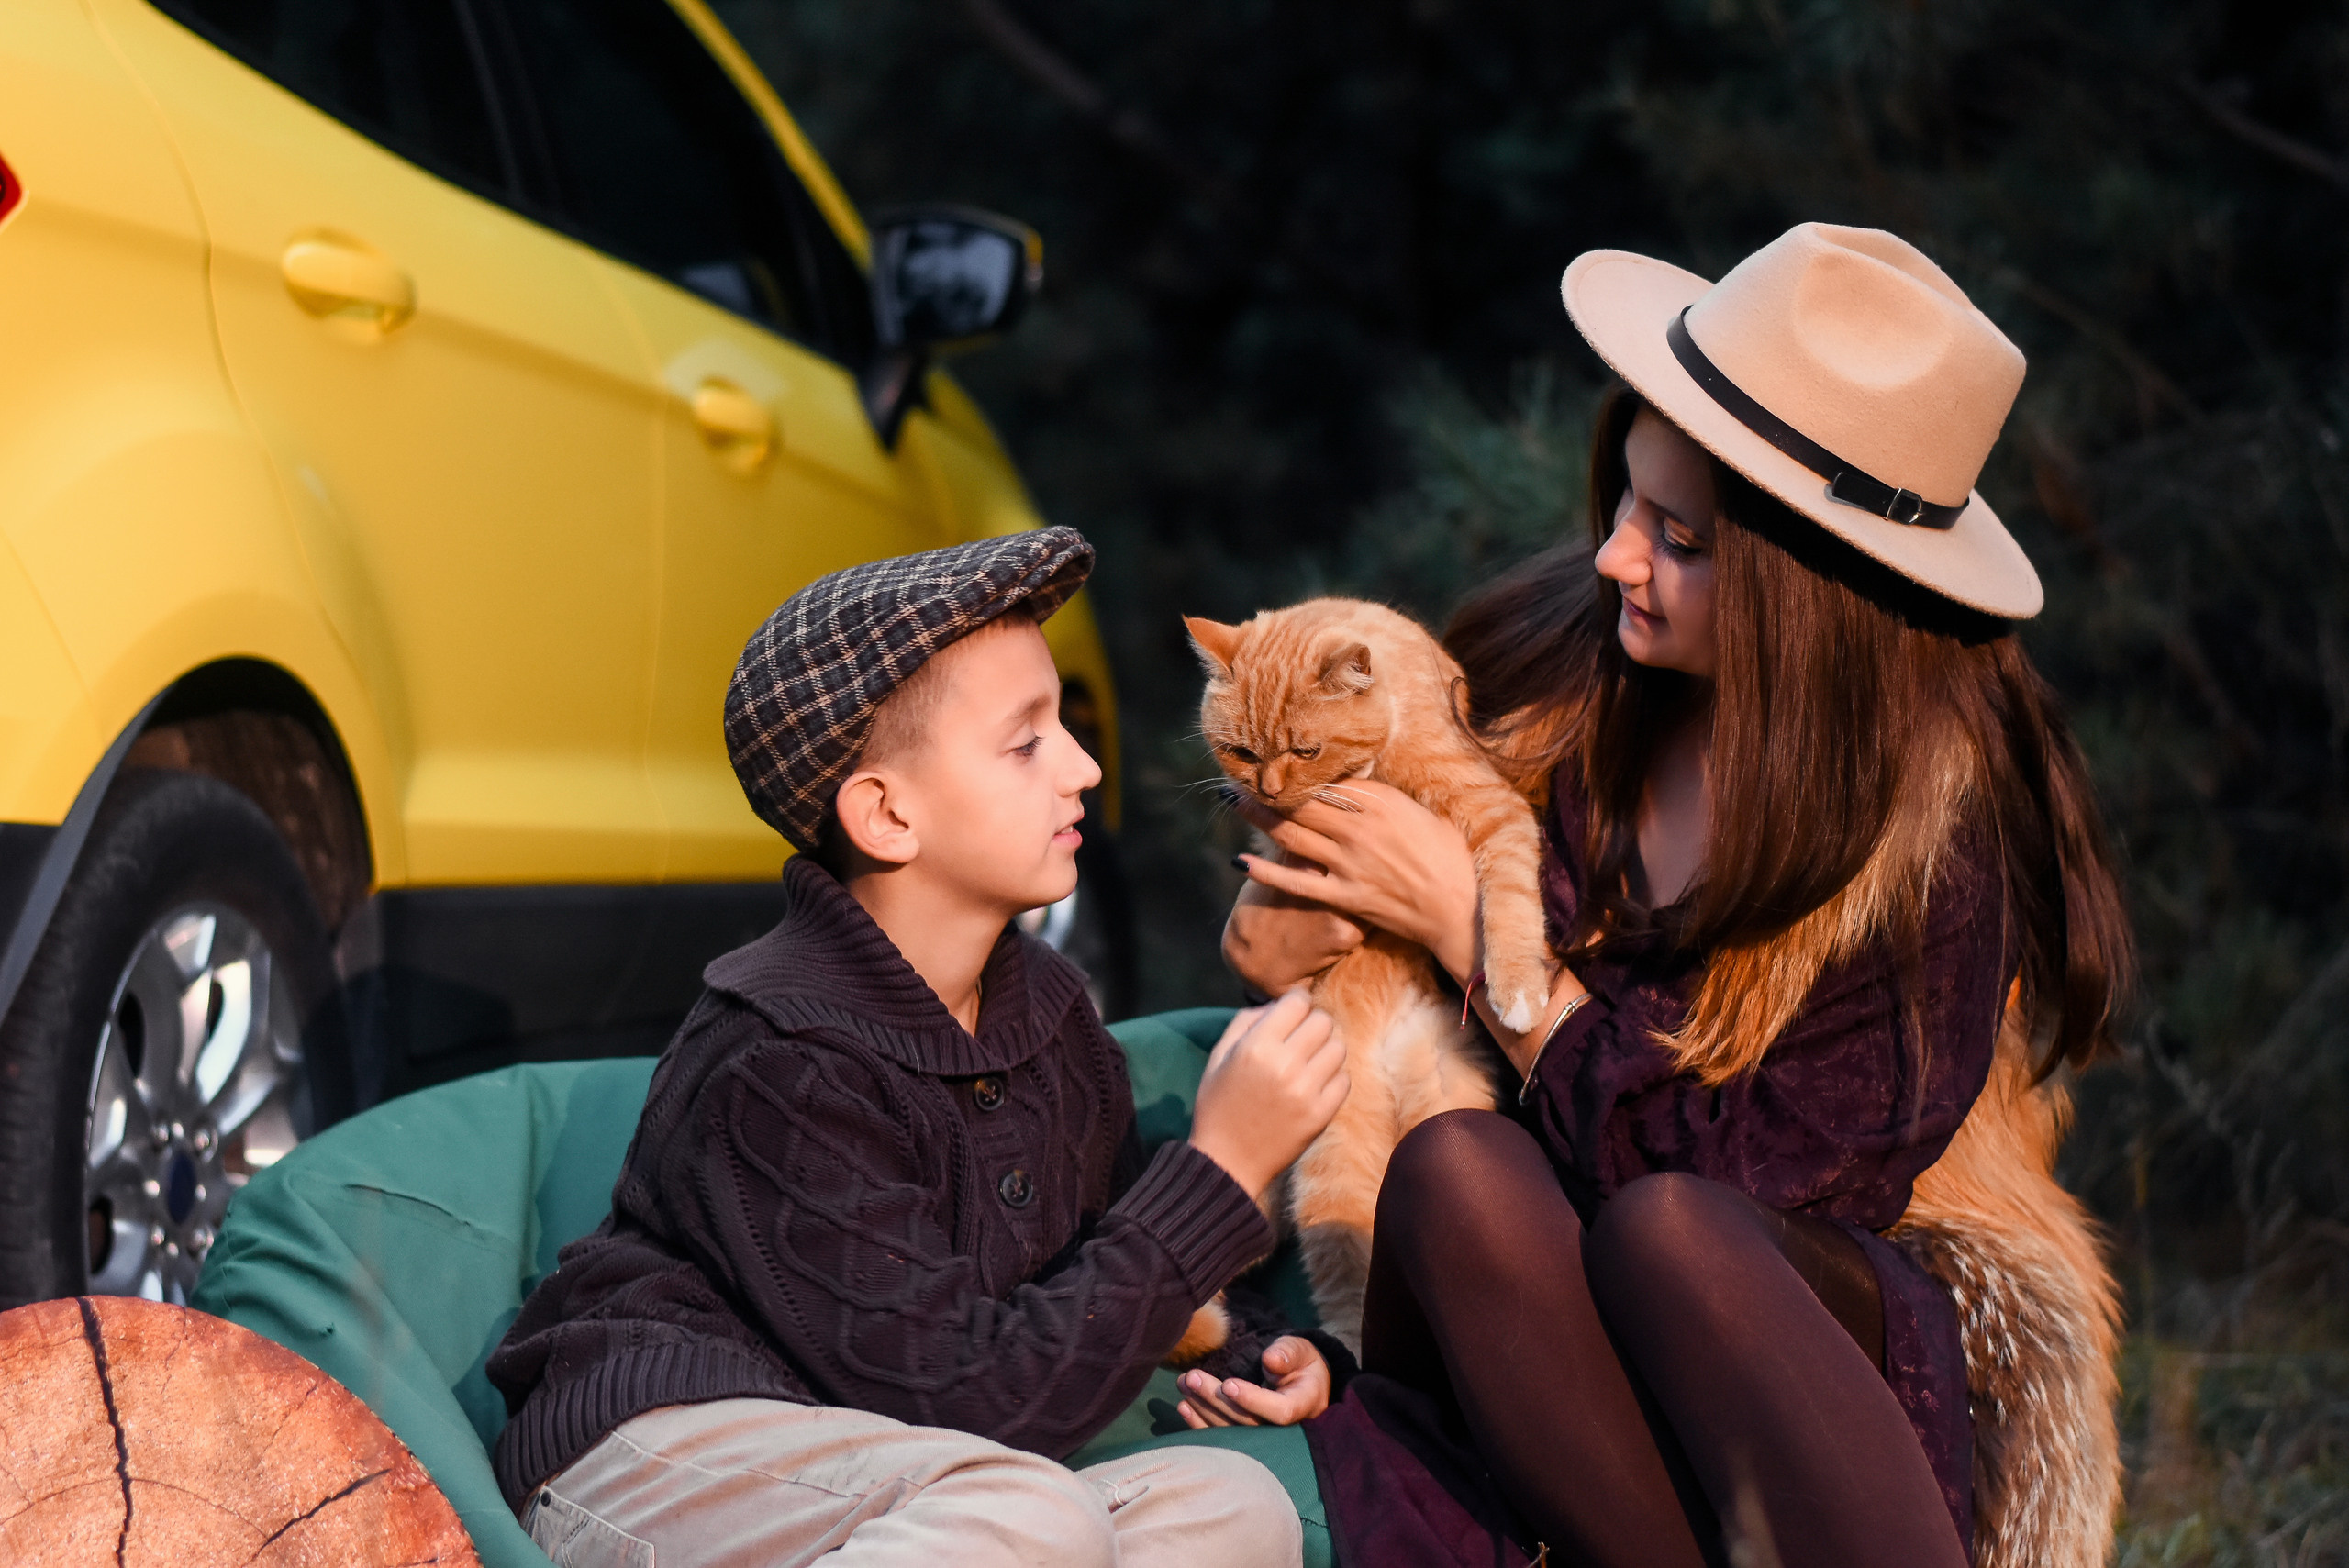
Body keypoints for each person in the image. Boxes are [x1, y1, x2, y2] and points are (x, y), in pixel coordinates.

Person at [1212, 224, 2135, 1567]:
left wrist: (1484, 942)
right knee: (1456, 1165)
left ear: (1810, 592)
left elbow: (1754, 1175)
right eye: (1627, 509)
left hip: (1783, 1347)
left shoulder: (1937, 825)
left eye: (1681, 540)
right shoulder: (1556, 669)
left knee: (1670, 1228)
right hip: (1547, 1321)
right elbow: (1291, 956)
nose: (1615, 561)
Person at [486, 528, 1350, 1568]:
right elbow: (972, 1396)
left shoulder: (1047, 1012)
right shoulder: (780, 1053)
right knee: (1032, 1513)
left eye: (1064, 726)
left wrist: (1244, 1341)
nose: (1083, 765)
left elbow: (1094, 1256)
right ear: (887, 813)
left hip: (889, 1456)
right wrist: (1223, 1167)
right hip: (659, 1453)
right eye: (1026, 741)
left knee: (1230, 1503)